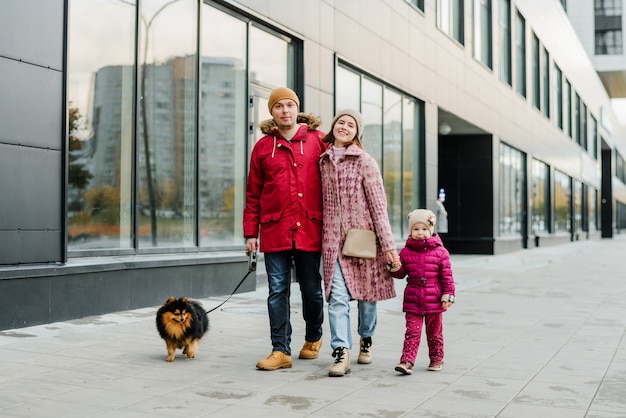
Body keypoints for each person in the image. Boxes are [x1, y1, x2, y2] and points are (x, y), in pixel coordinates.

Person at [243, 87, 325, 371]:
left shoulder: (318, 141)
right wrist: (250, 234)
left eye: (290, 105)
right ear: (272, 112)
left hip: (310, 228)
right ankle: (281, 350)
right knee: (277, 290)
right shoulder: (264, 147)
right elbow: (253, 194)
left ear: (296, 109)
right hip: (275, 228)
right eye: (279, 106)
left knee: (312, 289)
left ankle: (314, 336)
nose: (285, 111)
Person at [319, 109, 400, 377]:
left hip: (364, 242)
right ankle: (341, 352)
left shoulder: (366, 162)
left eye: (350, 124)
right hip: (333, 244)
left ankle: (366, 338)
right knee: (337, 298)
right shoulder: (323, 162)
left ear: (357, 132)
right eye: (340, 122)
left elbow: (379, 207)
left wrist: (389, 247)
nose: (344, 127)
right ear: (333, 127)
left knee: (367, 298)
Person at [391, 209, 455, 375]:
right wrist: (394, 267)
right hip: (413, 298)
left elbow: (447, 276)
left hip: (434, 298)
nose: (420, 233)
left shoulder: (441, 252)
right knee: (412, 332)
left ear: (431, 230)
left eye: (424, 229)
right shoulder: (405, 252)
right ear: (411, 231)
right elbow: (400, 273)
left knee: (434, 333)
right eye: (416, 229)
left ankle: (436, 358)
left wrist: (448, 294)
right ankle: (407, 361)